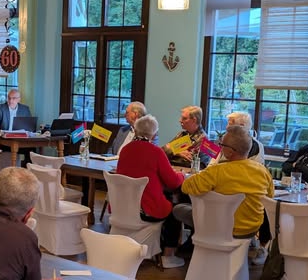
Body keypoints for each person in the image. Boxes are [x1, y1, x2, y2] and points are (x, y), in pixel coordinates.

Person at [172, 125, 274, 240]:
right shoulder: (263, 171)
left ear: (230, 151)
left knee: (179, 209)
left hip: (219, 227)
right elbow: (269, 198)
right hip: (250, 230)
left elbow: (186, 187)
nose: (220, 148)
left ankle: (191, 244)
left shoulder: (216, 171)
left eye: (222, 145)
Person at [116, 115, 184, 269]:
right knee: (175, 210)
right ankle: (168, 255)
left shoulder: (125, 150)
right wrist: (181, 175)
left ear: (136, 131)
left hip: (123, 207)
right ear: (154, 134)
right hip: (146, 210)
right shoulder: (155, 151)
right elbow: (173, 182)